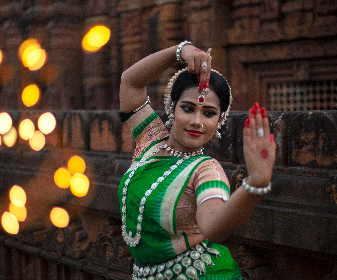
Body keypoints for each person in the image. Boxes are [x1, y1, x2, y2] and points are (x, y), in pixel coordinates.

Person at [118, 41, 276, 280]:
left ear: (219, 120)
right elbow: (130, 82)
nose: (197, 122)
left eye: (209, 113)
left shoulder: (206, 170)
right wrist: (180, 50)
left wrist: (256, 184)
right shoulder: (150, 141)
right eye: (188, 108)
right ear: (172, 108)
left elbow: (212, 226)